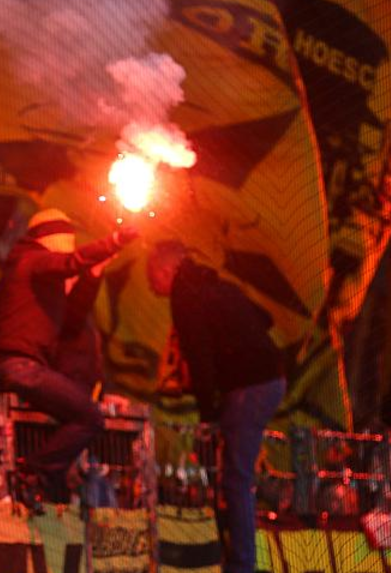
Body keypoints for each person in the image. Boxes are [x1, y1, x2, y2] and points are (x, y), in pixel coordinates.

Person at [0, 209, 137, 508]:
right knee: (88, 417)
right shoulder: (30, 259)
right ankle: (34, 471)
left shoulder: (39, 279)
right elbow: (70, 263)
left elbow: (71, 320)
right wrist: (113, 241)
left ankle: (35, 475)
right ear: (54, 240)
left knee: (80, 416)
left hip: (17, 366)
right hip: (13, 364)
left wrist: (95, 272)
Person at [145, 240, 285, 573]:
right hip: (269, 380)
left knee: (235, 477)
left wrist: (207, 414)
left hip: (248, 386)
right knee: (234, 471)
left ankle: (241, 564)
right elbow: (264, 318)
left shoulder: (186, 296)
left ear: (167, 270)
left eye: (152, 277)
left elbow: (200, 358)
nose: (152, 286)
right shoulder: (217, 285)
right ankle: (240, 553)